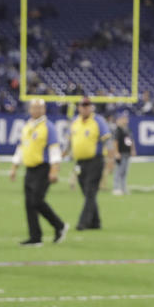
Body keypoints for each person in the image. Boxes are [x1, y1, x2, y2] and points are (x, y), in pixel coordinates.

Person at [9, 99, 68, 245]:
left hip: (43, 168)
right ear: (30, 109)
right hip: (30, 168)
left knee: (37, 201)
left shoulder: (48, 127)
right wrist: (14, 167)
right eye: (34, 108)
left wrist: (54, 170)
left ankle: (59, 225)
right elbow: (21, 147)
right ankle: (35, 237)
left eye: (40, 108)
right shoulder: (27, 126)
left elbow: (54, 150)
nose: (37, 110)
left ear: (44, 109)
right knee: (29, 204)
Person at [69, 97, 111, 230]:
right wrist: (64, 153)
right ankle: (96, 222)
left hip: (95, 160)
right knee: (87, 192)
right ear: (79, 107)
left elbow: (107, 140)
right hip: (80, 162)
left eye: (87, 105)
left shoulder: (98, 120)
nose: (85, 108)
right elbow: (71, 140)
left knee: (90, 191)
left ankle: (83, 222)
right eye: (83, 105)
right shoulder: (75, 122)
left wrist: (110, 159)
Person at [111, 111, 135, 195]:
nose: (126, 120)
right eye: (124, 119)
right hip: (121, 153)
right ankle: (116, 188)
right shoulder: (118, 130)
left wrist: (132, 149)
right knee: (119, 171)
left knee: (124, 172)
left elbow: (129, 141)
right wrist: (116, 152)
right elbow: (115, 142)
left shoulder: (127, 129)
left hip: (126, 153)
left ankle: (123, 188)